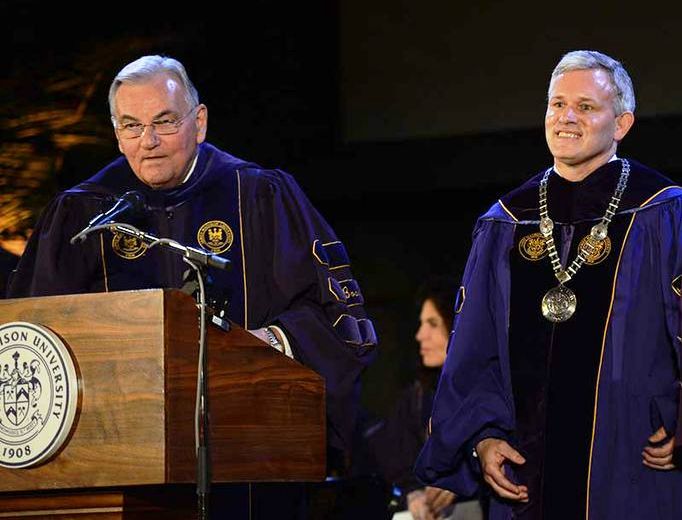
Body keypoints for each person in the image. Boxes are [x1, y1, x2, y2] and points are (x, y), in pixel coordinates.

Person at [6, 55, 377, 516]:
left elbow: (337, 319)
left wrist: (267, 343)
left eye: (165, 121)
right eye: (132, 126)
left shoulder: (259, 195)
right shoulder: (81, 215)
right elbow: (28, 343)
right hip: (115, 470)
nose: (150, 141)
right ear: (116, 133)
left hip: (246, 461)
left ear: (199, 123)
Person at [414, 50, 682, 520]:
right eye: (557, 104)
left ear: (621, 124)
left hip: (631, 465)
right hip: (526, 475)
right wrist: (483, 437)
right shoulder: (505, 222)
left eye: (585, 107)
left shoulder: (663, 212)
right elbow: (474, 351)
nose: (566, 118)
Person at [356, 276, 485, 520]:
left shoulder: (489, 396)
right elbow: (391, 458)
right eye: (421, 324)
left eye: (433, 323)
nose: (420, 335)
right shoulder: (417, 397)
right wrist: (412, 493)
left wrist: (466, 478)